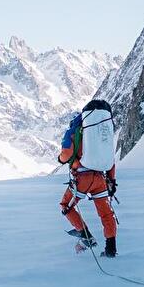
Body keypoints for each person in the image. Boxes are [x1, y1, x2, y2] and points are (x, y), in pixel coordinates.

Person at [59, 99, 118, 257]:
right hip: (100, 179)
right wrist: (111, 181)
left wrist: (60, 159)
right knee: (106, 214)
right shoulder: (102, 133)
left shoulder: (75, 131)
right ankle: (111, 249)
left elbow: (66, 154)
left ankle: (86, 237)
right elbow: (110, 159)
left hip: (82, 179)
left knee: (66, 205)